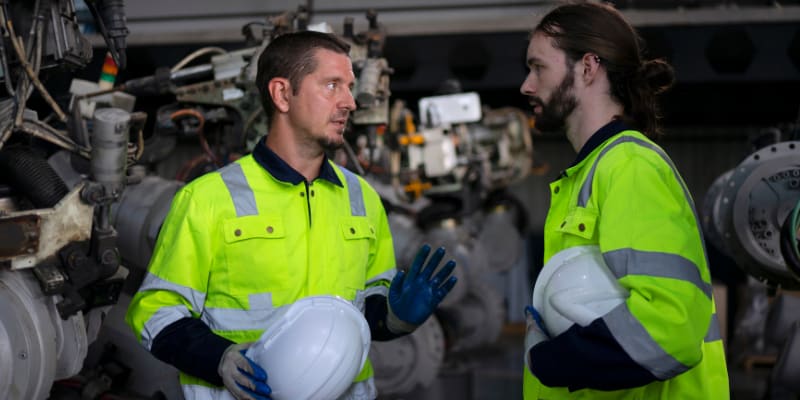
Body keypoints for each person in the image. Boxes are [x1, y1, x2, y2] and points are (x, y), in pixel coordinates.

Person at [125, 30, 458, 400]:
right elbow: (156, 313)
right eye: (332, 85)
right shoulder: (207, 199)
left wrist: (396, 317)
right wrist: (220, 359)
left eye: (349, 87)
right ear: (283, 94)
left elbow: (366, 311)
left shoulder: (361, 198)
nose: (349, 101)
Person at [519, 2, 729, 399]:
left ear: (587, 67)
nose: (527, 85)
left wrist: (551, 359)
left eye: (538, 67)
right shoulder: (590, 174)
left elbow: (671, 325)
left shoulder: (629, 168)